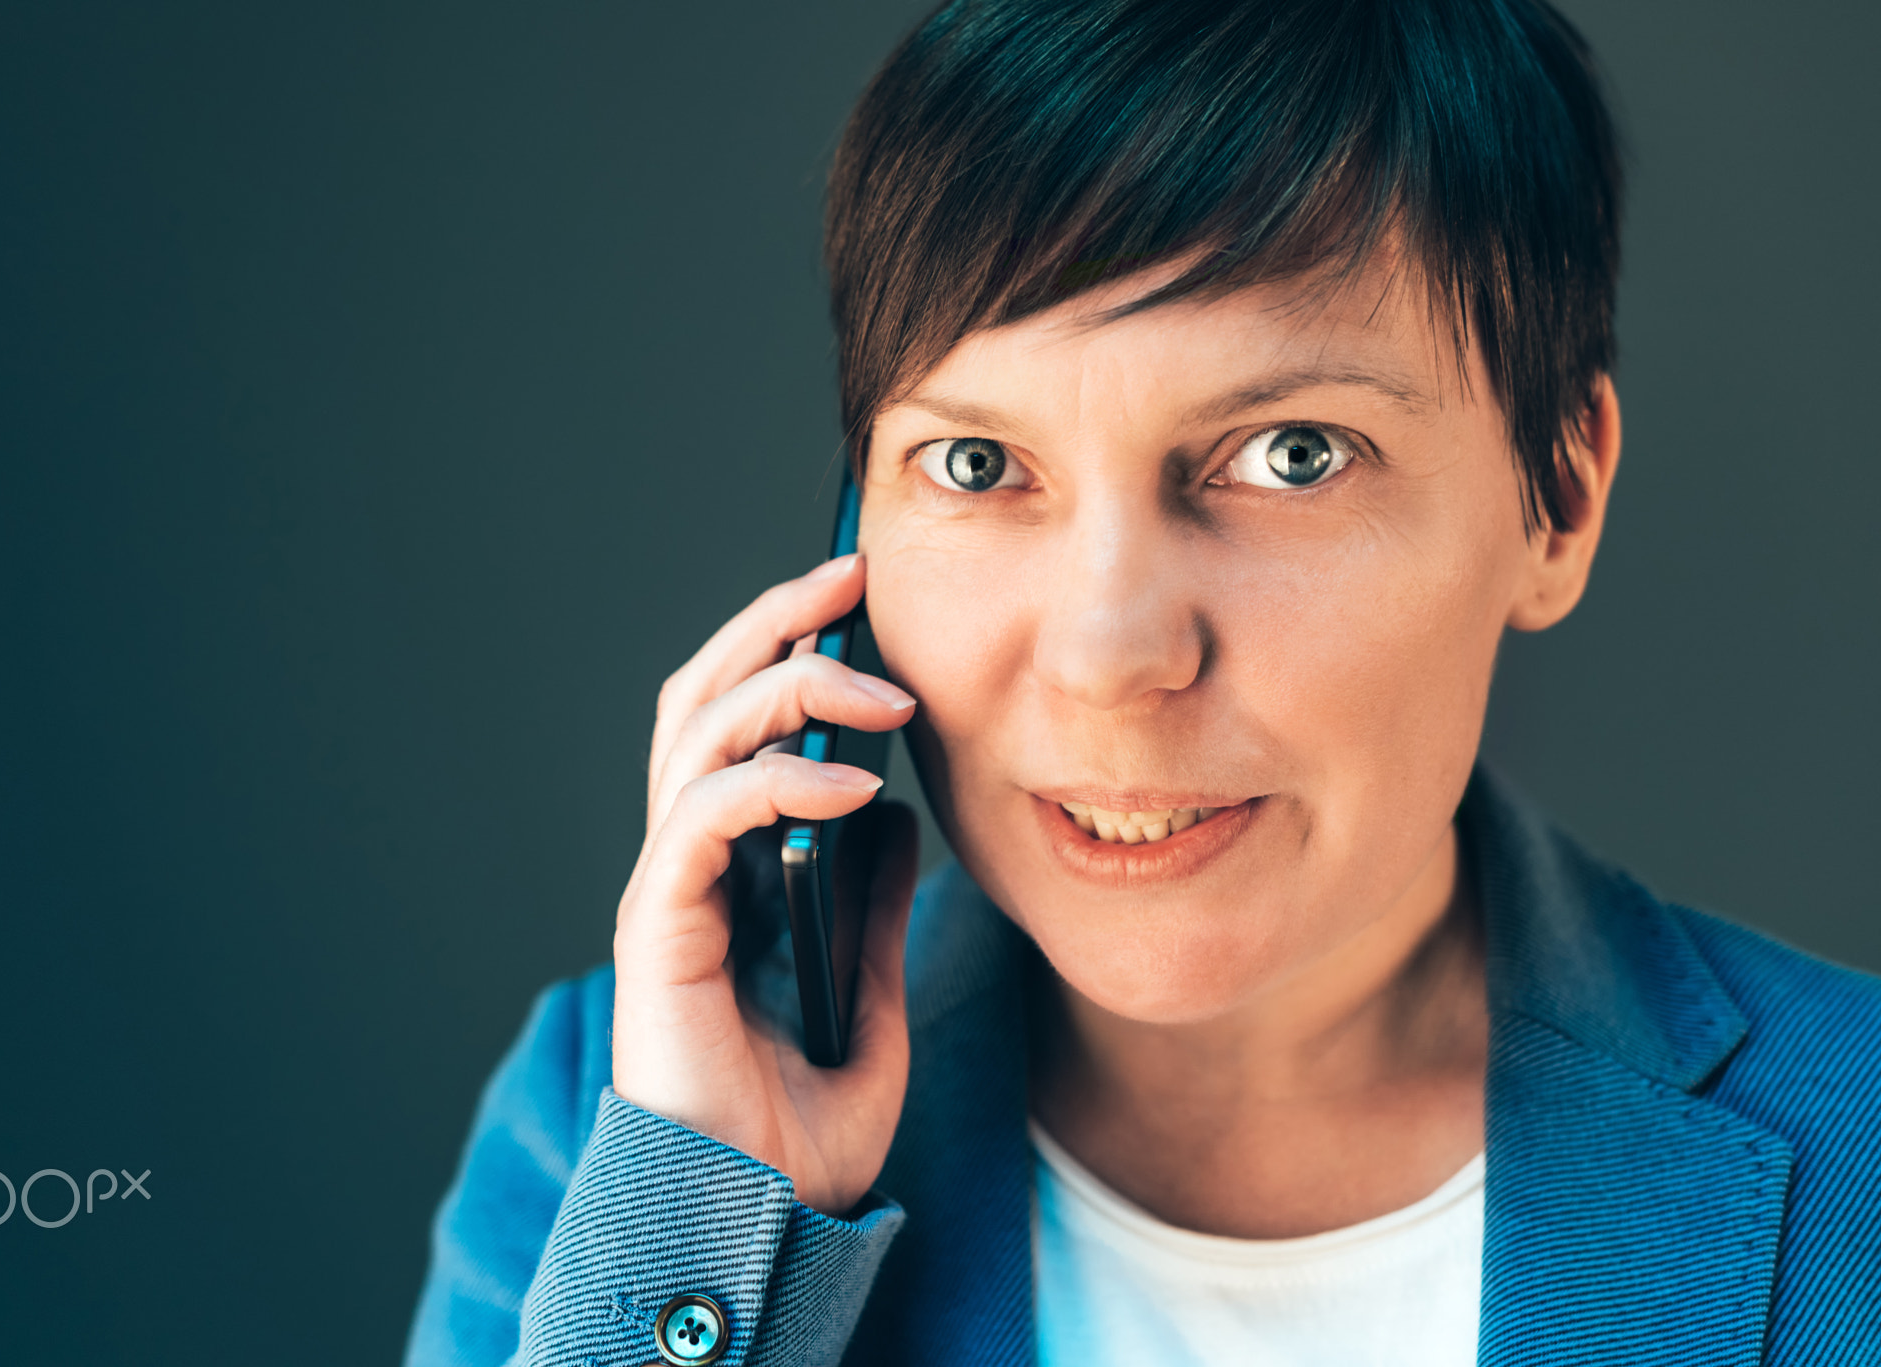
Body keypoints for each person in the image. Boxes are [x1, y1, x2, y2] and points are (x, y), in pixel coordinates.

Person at [407, 1, 1881, 1362]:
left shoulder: (1855, 1156)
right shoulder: (629, 1133)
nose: (1112, 658)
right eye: (977, 466)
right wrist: (704, 1244)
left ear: (1553, 499)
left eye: (1292, 455)